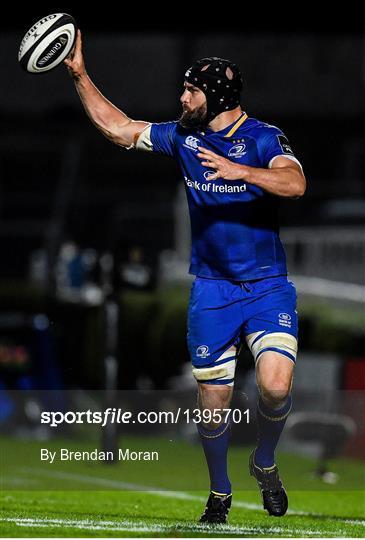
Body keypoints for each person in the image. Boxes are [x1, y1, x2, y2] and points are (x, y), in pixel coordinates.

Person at [64, 31, 306, 523]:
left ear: (215, 96)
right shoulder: (184, 136)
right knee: (213, 406)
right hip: (212, 291)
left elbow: (295, 182)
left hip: (266, 287)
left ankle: (264, 462)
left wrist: (244, 171)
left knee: (276, 389)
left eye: (191, 91)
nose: (182, 98)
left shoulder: (262, 137)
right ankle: (220, 493)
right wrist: (79, 74)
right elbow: (121, 129)